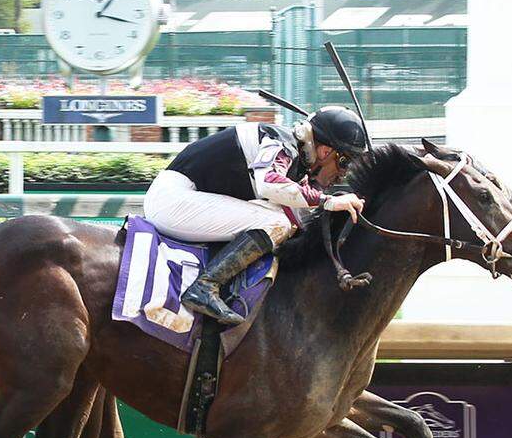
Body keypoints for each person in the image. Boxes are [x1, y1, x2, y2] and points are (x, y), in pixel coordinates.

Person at [143, 106, 369, 325]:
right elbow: (269, 184)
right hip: (173, 201)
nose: (343, 174)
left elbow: (298, 218)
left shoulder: (296, 161)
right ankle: (205, 285)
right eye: (344, 162)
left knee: (283, 220)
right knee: (276, 222)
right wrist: (328, 201)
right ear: (325, 151)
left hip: (184, 199)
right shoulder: (281, 142)